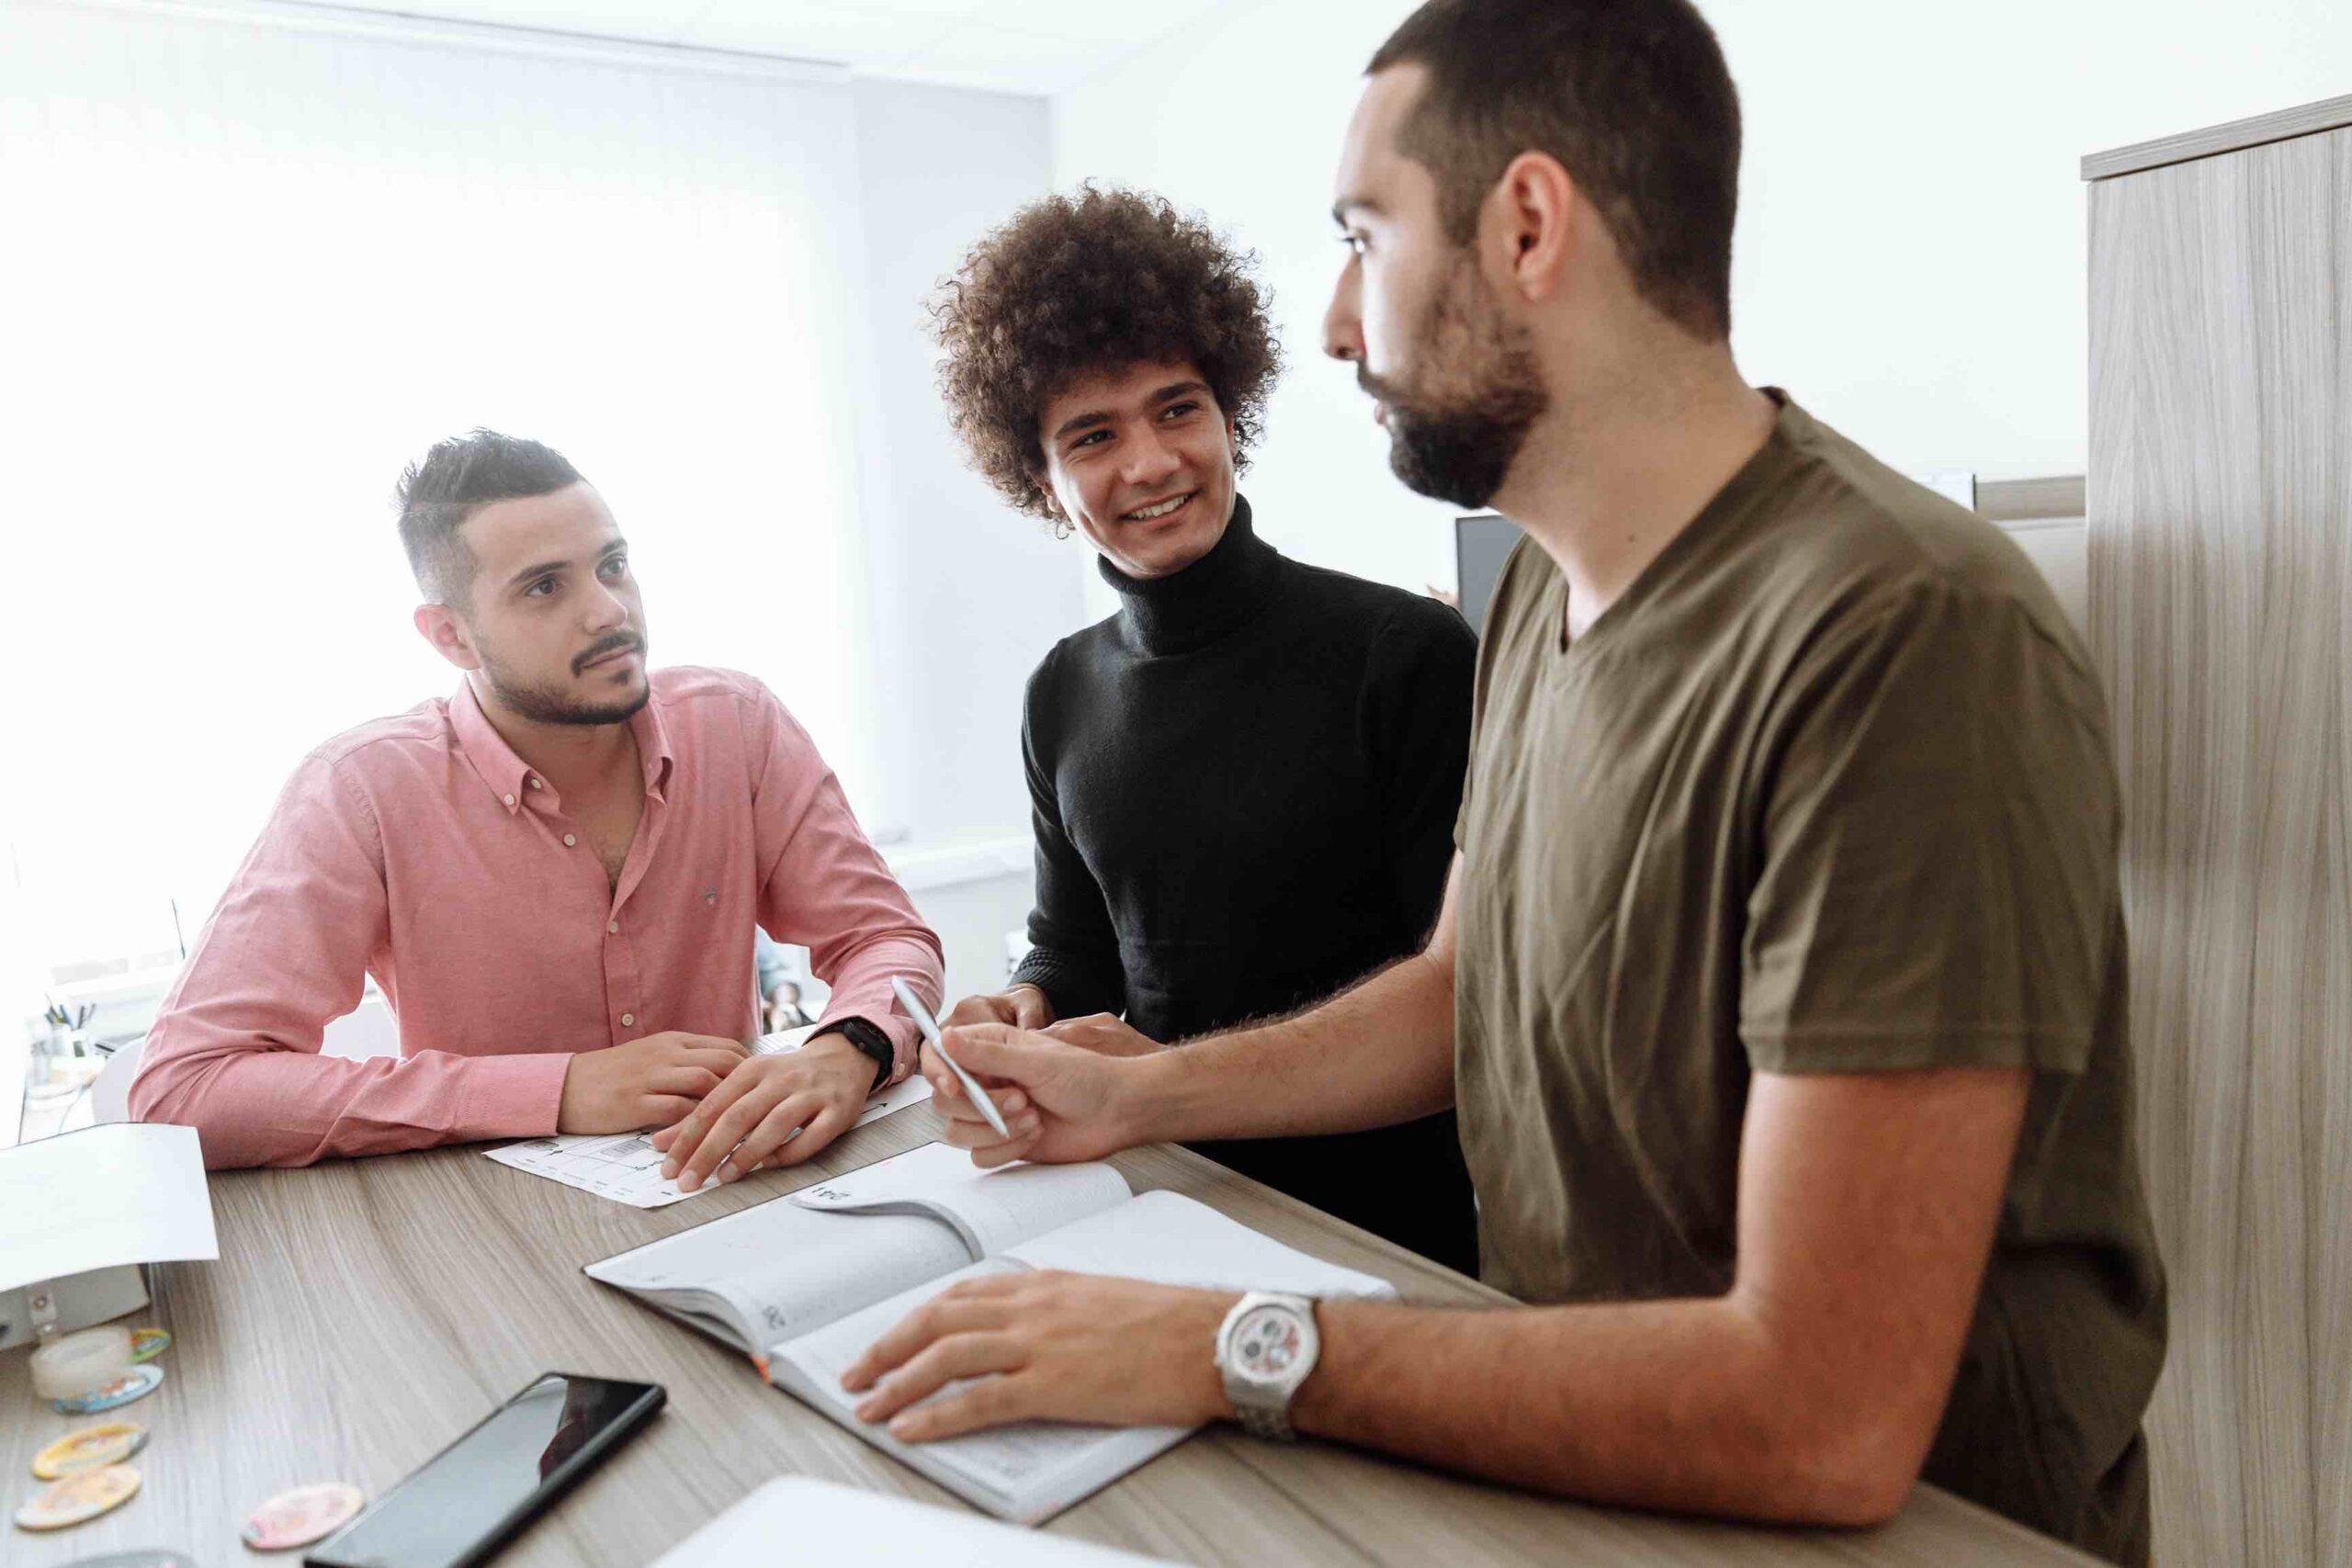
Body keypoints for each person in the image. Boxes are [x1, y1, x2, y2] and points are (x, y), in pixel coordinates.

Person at [839, 4, 2165, 1562]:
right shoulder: (1542, 596)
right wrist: (1136, 1093)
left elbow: (1820, 1407)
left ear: (1527, 225)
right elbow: (1467, 987)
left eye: (1365, 235)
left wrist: (1223, 1342)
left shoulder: (1903, 631)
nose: (1337, 324)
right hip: (1595, 1469)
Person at [131, 430, 944, 1174]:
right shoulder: (361, 789)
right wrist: (557, 1090)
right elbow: (184, 1091)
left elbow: (884, 937)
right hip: (496, 1237)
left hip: (735, 1184)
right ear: (450, 635)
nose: (609, 610)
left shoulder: (738, 723)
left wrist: (850, 1045)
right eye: (544, 587)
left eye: (613, 564)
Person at [927, 186, 1479, 1272]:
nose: (1150, 463)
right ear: (1039, 482)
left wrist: (1145, 1083)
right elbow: (1077, 949)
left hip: (1379, 1231)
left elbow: (1459, 1013)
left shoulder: (1406, 654)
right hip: (1149, 1196)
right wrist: (1025, 1009)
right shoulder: (1060, 692)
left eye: (1177, 409)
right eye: (1092, 435)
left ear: (1232, 413)